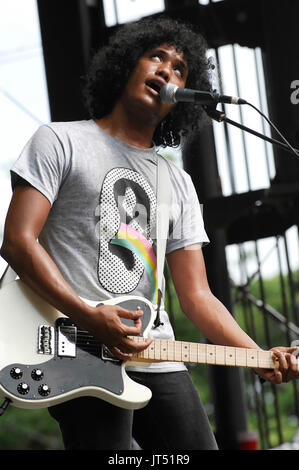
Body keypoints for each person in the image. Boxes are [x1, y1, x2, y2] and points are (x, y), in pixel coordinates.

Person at [0, 16, 298, 451]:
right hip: (74, 349)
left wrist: (257, 356)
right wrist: (88, 316)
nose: (166, 71)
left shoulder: (176, 183)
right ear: (125, 65)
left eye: (180, 69)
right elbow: (17, 242)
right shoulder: (60, 141)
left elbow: (197, 297)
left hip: (157, 355)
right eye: (156, 56)